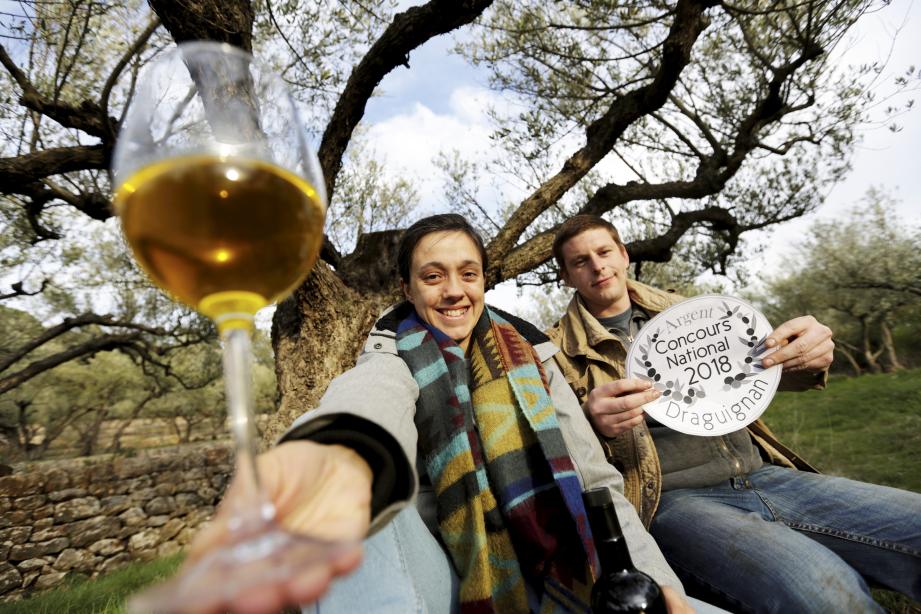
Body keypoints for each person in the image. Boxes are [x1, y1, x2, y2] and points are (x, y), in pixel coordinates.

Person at [185, 214, 728, 614]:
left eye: (468, 274)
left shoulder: (534, 357)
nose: (453, 292)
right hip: (448, 573)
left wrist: (660, 586)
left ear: (484, 281)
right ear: (406, 288)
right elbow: (370, 402)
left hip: (562, 566)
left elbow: (596, 484)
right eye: (433, 276)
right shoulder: (394, 355)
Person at [546, 214, 921, 613]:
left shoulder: (697, 313)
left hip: (763, 474)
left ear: (622, 255)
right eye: (580, 261)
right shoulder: (554, 356)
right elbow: (569, 456)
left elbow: (765, 376)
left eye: (604, 252)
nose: (598, 266)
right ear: (567, 277)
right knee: (826, 592)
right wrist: (591, 423)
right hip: (675, 505)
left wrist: (808, 358)